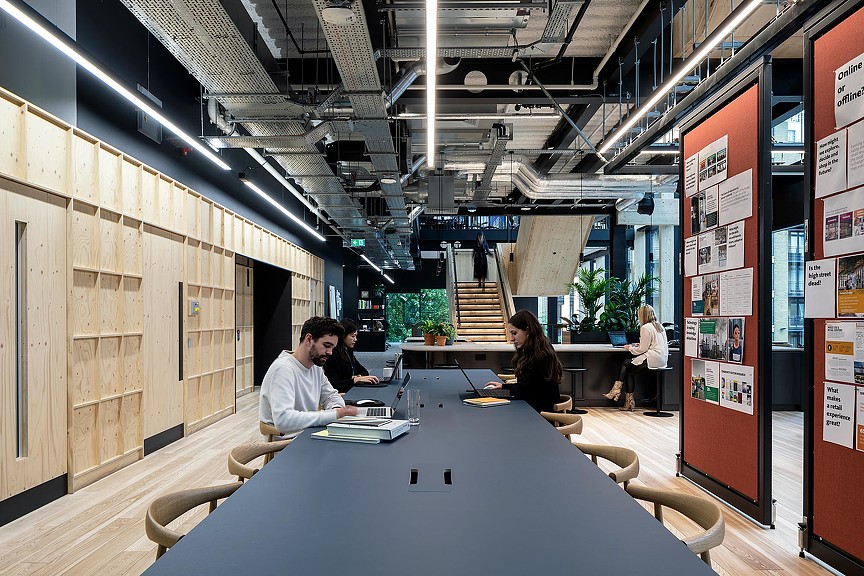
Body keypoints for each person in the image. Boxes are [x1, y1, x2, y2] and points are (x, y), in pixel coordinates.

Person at [259, 316, 358, 438]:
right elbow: (283, 420)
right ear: (309, 339)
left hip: (309, 435)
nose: (330, 352)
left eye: (332, 347)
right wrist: (334, 414)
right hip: (287, 445)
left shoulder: (315, 367)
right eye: (326, 345)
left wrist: (337, 409)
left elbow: (331, 396)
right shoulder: (283, 369)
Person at [484, 310, 562, 413]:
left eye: (514, 333)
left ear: (528, 330)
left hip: (541, 416)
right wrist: (503, 386)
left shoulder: (539, 356)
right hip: (535, 409)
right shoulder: (540, 349)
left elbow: (523, 391)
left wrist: (505, 389)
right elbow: (527, 387)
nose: (511, 339)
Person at [603, 304, 669, 411]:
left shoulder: (645, 327)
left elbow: (642, 350)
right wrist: (639, 344)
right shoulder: (659, 326)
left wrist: (629, 348)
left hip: (652, 359)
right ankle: (627, 402)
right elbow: (654, 344)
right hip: (662, 360)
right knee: (630, 371)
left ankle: (616, 391)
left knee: (625, 363)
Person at [323, 319, 380, 393]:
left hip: (353, 391)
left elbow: (364, 371)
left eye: (356, 336)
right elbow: (334, 385)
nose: (355, 339)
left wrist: (357, 377)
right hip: (342, 395)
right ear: (343, 336)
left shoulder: (348, 352)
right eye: (352, 336)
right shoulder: (332, 355)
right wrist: (354, 380)